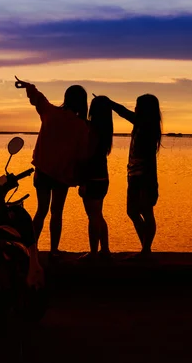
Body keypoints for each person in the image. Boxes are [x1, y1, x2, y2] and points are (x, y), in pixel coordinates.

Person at [16, 77, 89, 259]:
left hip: (43, 170)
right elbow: (81, 156)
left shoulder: (51, 113)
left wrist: (29, 86)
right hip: (62, 175)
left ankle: (31, 249)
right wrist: (81, 179)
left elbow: (39, 99)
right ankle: (54, 250)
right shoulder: (81, 126)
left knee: (41, 211)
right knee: (57, 212)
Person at [106, 94, 162, 257]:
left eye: (138, 106)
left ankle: (145, 250)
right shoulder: (141, 124)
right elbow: (125, 112)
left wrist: (110, 103)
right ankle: (145, 249)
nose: (135, 108)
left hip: (144, 176)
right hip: (133, 174)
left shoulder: (147, 125)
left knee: (146, 211)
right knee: (132, 211)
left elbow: (124, 112)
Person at [78, 95, 113, 261]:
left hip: (92, 178)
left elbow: (88, 157)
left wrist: (83, 181)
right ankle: (105, 250)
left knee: (93, 216)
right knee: (98, 214)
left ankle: (93, 253)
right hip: (103, 177)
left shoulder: (93, 130)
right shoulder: (106, 129)